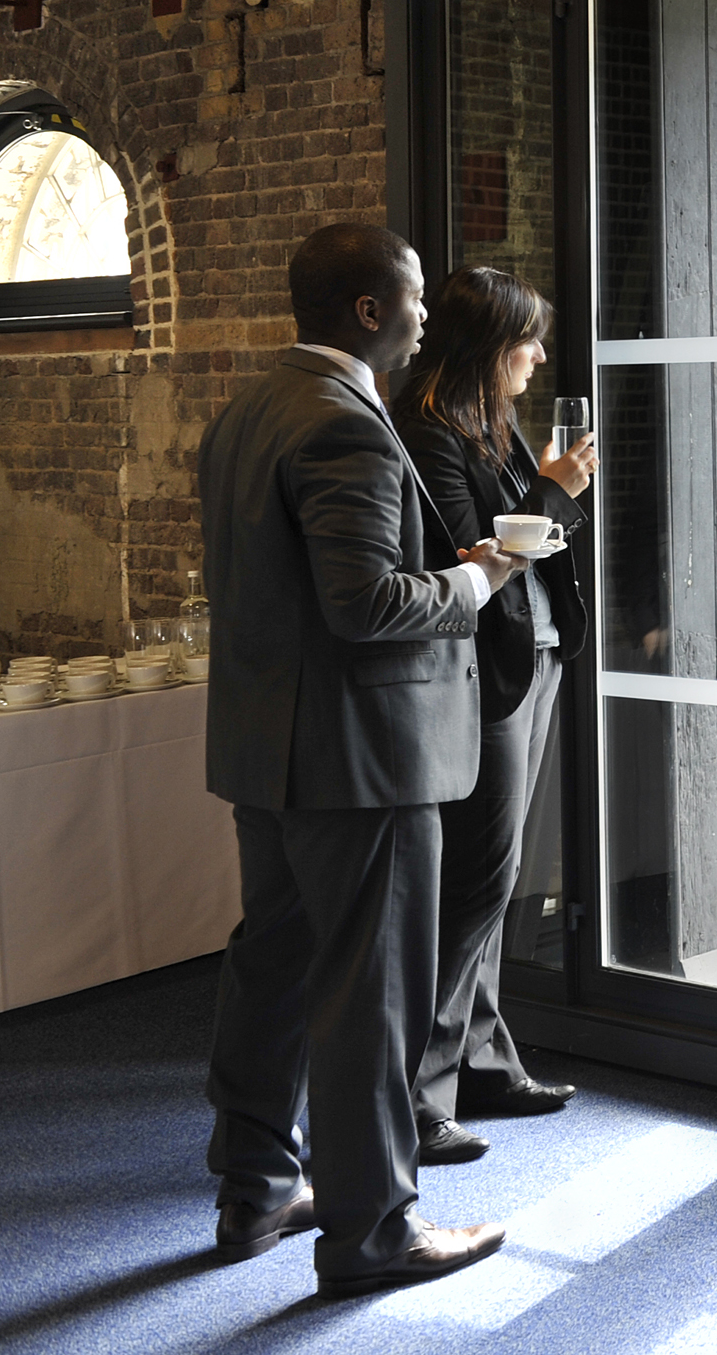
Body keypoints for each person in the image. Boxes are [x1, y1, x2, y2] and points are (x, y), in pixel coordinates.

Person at [197, 223, 517, 1297]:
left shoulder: (248, 410)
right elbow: (369, 604)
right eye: (416, 296)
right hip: (358, 762)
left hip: (265, 750)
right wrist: (475, 582)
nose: (428, 314)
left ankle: (252, 1194)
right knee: (366, 994)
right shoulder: (345, 424)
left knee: (273, 970)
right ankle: (374, 1230)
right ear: (370, 311)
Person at [393, 268, 596, 1163]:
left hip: (534, 657)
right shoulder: (430, 430)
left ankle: (480, 1059)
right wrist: (551, 492)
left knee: (495, 874)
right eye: (528, 339)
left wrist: (555, 496)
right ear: (489, 345)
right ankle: (414, 1096)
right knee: (476, 879)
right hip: (484, 671)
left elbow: (535, 539)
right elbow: (474, 552)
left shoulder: (491, 422)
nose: (540, 355)